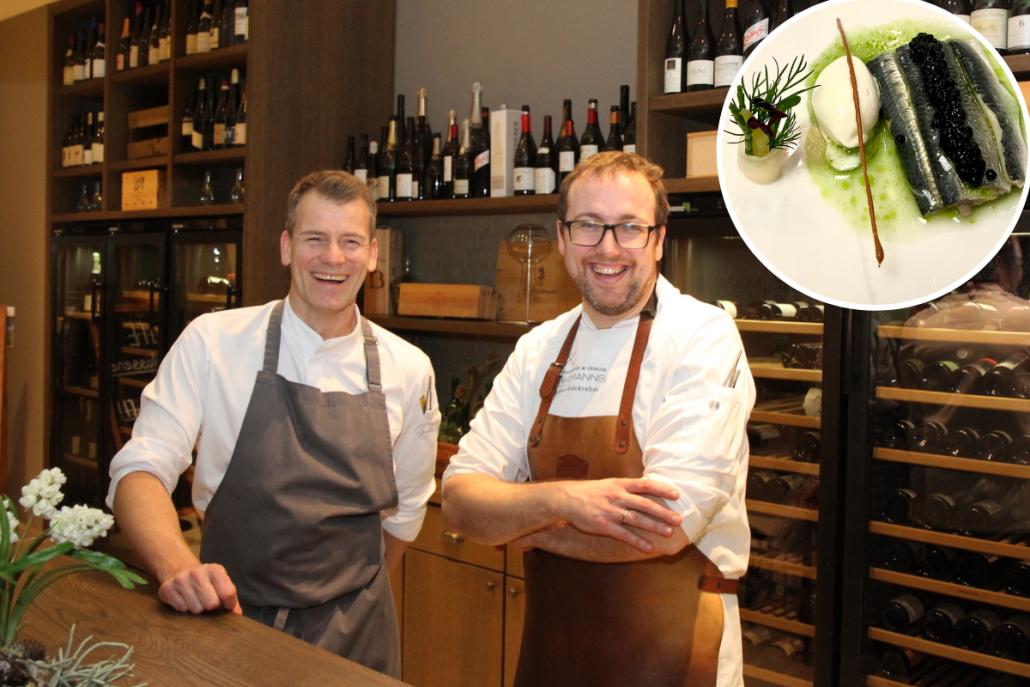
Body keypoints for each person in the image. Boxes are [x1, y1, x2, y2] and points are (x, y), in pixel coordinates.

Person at [107, 170, 440, 678]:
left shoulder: (408, 369)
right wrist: (178, 567)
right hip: (229, 622)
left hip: (357, 644)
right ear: (286, 247)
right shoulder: (214, 343)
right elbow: (139, 470)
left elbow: (404, 516)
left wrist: (341, 604)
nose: (333, 258)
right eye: (315, 239)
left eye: (350, 241)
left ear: (372, 255)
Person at [442, 151, 755, 687]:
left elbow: (665, 529)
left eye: (630, 227)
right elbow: (458, 502)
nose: (608, 248)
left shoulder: (702, 336)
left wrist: (521, 523)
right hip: (551, 653)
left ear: (658, 239)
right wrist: (563, 501)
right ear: (562, 238)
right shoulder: (538, 347)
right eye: (588, 226)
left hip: (676, 655)